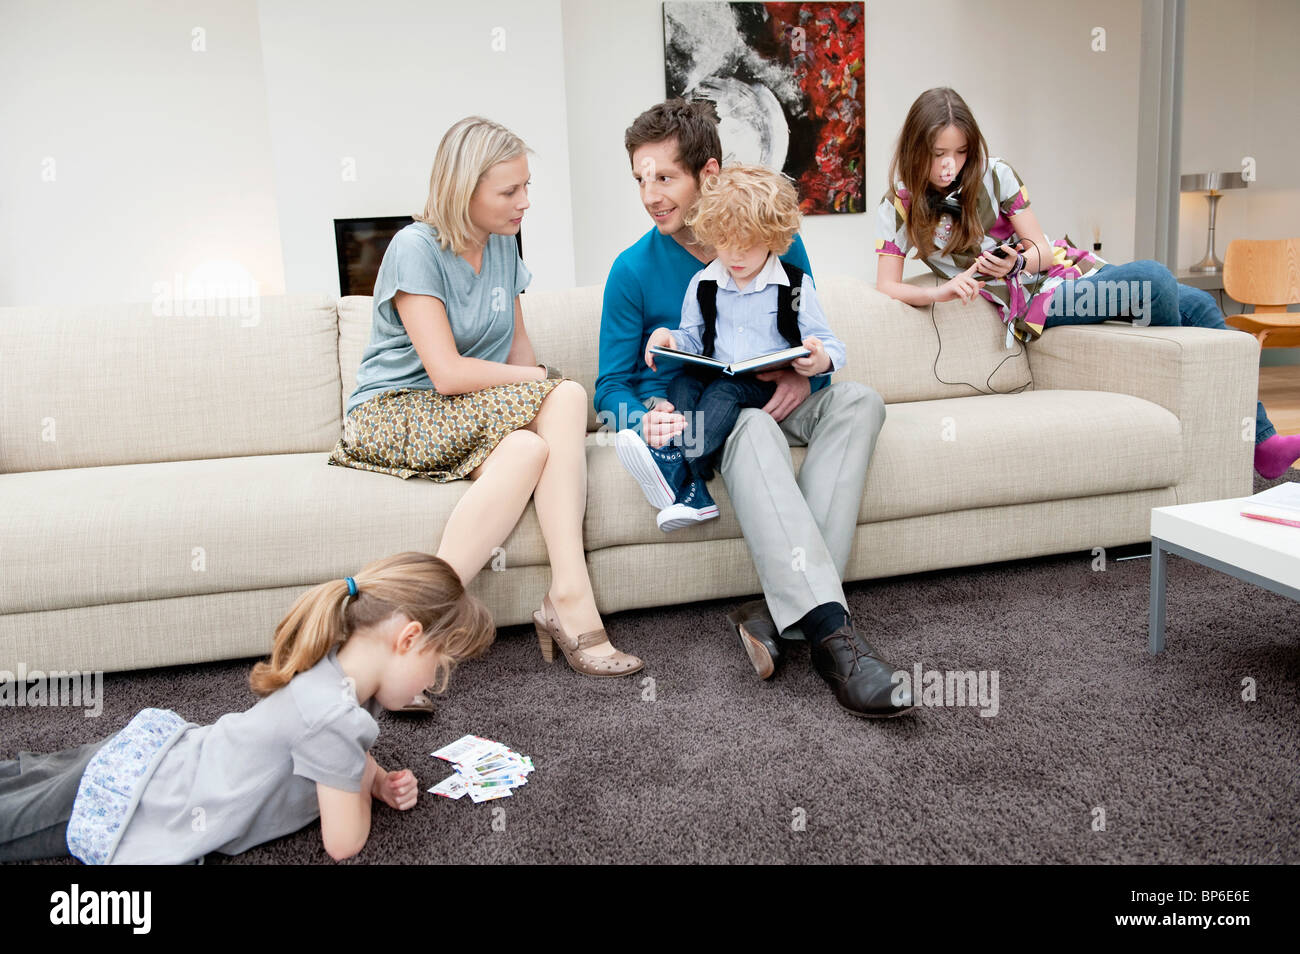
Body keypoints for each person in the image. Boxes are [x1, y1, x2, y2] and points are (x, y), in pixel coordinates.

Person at [597, 99, 912, 718]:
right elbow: (611, 385)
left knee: (861, 402)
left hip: (781, 398)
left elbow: (809, 344)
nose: (650, 196)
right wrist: (648, 415)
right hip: (714, 415)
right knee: (749, 427)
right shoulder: (631, 270)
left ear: (706, 174)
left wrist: (808, 381)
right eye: (640, 179)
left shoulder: (777, 245)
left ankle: (775, 611)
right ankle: (831, 635)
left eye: (665, 177)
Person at [328, 116, 642, 679]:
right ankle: (571, 599)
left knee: (530, 448)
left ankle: (413, 631)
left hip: (461, 415)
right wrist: (547, 384)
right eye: (509, 191)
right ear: (463, 189)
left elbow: (518, 357)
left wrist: (541, 383)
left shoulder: (502, 245)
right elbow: (446, 373)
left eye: (527, 187)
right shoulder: (413, 248)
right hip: (393, 410)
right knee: (566, 395)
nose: (524, 202)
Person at [874, 87, 1300, 479]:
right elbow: (887, 286)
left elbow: (1040, 247)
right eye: (938, 153)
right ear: (916, 149)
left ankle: (1262, 442)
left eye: (961, 152)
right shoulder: (900, 203)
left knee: (1202, 305)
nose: (951, 165)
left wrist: (1018, 260)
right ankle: (1174, 391)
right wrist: (940, 291)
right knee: (1152, 278)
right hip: (1031, 304)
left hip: (1058, 273)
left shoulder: (996, 173)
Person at [0, 552, 494, 864]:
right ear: (408, 639)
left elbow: (331, 754)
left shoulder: (331, 666)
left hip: (157, 753)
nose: (434, 682)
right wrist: (362, 794)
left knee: (22, 776)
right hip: (143, 797)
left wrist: (378, 780)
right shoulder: (337, 720)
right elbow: (344, 842)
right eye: (440, 664)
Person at [618, 163, 846, 535]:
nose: (734, 256)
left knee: (724, 392)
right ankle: (694, 491)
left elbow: (831, 343)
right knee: (681, 387)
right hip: (715, 372)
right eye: (724, 244)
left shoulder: (795, 286)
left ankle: (674, 462)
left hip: (765, 382)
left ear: (772, 237)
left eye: (746, 245)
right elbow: (692, 336)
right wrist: (670, 339)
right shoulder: (704, 282)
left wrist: (819, 359)